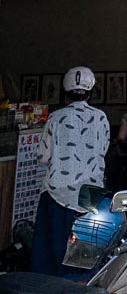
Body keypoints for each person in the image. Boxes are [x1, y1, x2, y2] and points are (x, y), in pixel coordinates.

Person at [30, 66, 109, 276]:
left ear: (65, 93)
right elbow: (103, 149)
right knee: (86, 250)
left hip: (57, 192)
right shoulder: (101, 118)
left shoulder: (56, 118)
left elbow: (43, 156)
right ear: (91, 92)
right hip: (90, 194)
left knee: (51, 252)